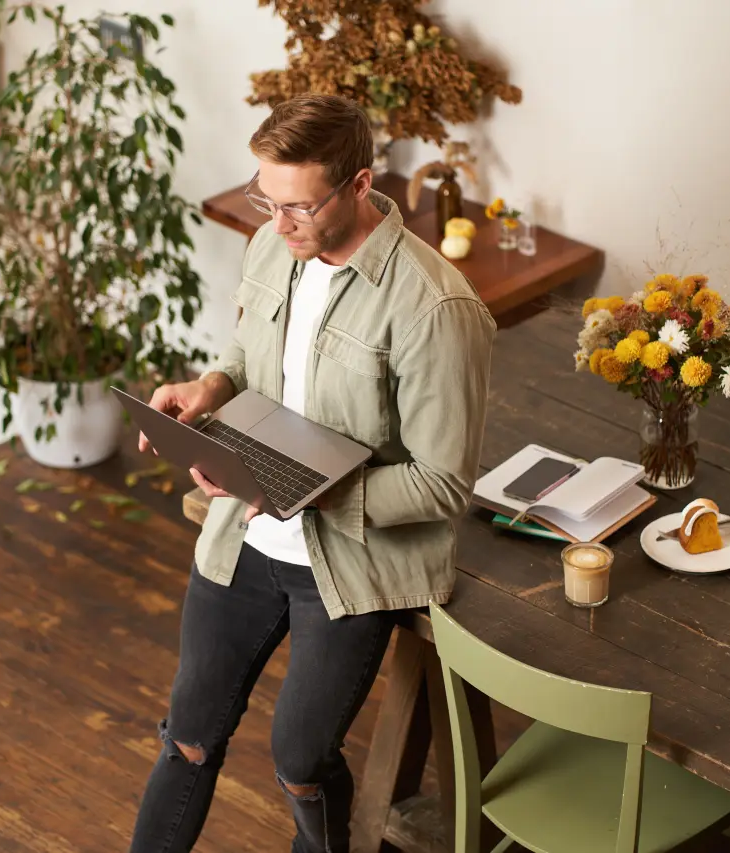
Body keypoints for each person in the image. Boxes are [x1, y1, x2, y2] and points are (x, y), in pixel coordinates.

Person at [128, 93, 496, 853]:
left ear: (360, 185)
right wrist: (210, 389)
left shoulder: (434, 307)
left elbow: (443, 484)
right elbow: (246, 357)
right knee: (188, 736)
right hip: (246, 538)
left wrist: (304, 492)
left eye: (298, 205)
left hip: (349, 566)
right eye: (267, 198)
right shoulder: (274, 244)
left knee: (299, 761)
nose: (279, 220)